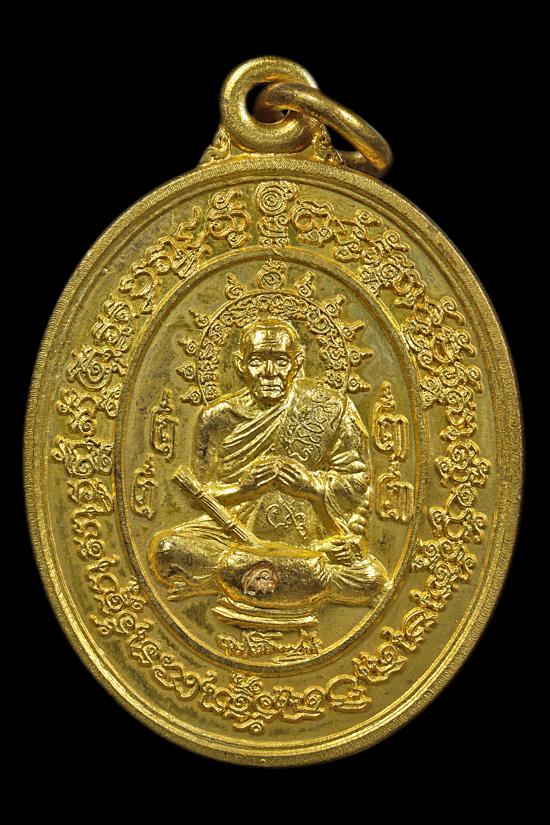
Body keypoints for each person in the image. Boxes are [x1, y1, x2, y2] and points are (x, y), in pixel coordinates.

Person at [149, 318, 388, 613]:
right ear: (239, 364)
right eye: (257, 361)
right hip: (232, 533)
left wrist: (310, 486)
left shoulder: (330, 408)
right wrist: (243, 490)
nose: (269, 372)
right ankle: (301, 576)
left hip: (307, 535)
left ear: (298, 362)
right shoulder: (217, 417)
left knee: (371, 576)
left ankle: (234, 578)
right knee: (167, 549)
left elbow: (357, 483)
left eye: (281, 361)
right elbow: (199, 496)